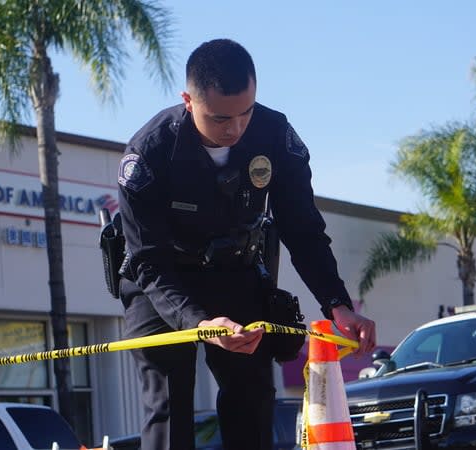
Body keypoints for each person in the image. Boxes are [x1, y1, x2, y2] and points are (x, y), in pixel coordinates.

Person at [117, 38, 376, 450]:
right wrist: (199, 324)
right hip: (163, 283)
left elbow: (303, 228)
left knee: (252, 399)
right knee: (168, 402)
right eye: (220, 118)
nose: (235, 128)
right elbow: (148, 261)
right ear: (188, 100)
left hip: (234, 270)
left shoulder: (275, 134)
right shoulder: (148, 155)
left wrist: (337, 304)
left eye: (246, 113)